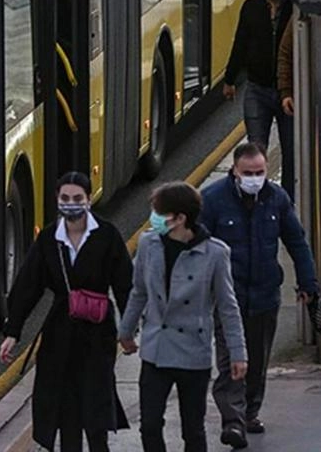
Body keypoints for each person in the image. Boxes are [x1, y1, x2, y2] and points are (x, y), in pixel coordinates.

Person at [0, 171, 133, 452]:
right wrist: (13, 332)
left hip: (98, 333)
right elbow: (28, 286)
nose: (71, 203)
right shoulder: (49, 238)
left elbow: (125, 285)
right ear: (57, 200)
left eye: (77, 198)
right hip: (60, 333)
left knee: (96, 408)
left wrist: (128, 329)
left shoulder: (107, 235)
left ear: (88, 200)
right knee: (66, 412)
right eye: (65, 198)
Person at [200, 142, 319, 447]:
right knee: (232, 362)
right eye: (248, 173)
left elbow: (296, 241)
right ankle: (234, 421)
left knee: (257, 359)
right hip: (229, 297)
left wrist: (308, 283)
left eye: (260, 172)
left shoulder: (276, 198)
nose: (254, 178)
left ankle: (250, 411)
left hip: (265, 294)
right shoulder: (212, 201)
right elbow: (197, 249)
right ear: (234, 173)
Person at [119, 182, 247, 452]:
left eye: (159, 213)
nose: (153, 218)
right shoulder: (148, 244)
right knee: (150, 425)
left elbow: (227, 306)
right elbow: (139, 291)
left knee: (193, 429)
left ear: (180, 218)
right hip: (156, 350)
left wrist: (238, 353)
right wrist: (125, 331)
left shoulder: (215, 253)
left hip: (193, 353)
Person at [223, 0, 295, 199]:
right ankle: (256, 198)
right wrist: (230, 79)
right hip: (257, 88)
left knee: (291, 151)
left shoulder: (295, 7)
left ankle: (287, 202)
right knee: (255, 148)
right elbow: (240, 42)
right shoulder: (251, 7)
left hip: (288, 93)